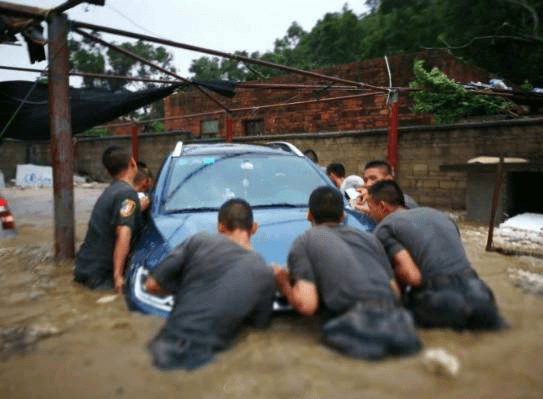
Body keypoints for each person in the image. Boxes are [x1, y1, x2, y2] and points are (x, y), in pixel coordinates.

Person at [274, 186, 421, 360]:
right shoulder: (370, 239)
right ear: (343, 216)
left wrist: (283, 284)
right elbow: (395, 292)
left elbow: (307, 305)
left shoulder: (304, 242)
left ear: (309, 216)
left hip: (354, 330)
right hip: (403, 328)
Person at [144, 199, 276, 371]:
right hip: (208, 360)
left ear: (220, 227)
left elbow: (151, 285)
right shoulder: (264, 272)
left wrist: (189, 289)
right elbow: (258, 329)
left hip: (163, 346)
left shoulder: (198, 241)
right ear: (254, 228)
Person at [368, 180, 506, 330]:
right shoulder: (441, 216)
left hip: (439, 302)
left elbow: (412, 277)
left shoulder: (385, 227)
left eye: (370, 207)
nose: (369, 212)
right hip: (481, 295)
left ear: (382, 206)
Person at [74, 145, 142, 293]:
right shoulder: (127, 194)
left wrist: (138, 206)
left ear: (108, 172)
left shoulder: (111, 191)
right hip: (102, 277)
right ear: (132, 163)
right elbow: (124, 232)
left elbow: (117, 215)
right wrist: (117, 275)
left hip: (84, 268)